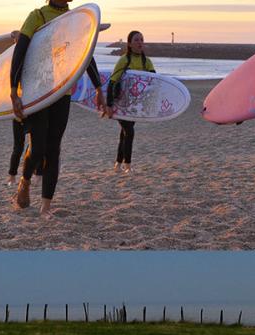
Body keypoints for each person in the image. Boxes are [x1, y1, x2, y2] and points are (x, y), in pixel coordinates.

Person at [10, 0, 107, 217]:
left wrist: (99, 88)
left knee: (54, 149)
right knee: (38, 148)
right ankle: (24, 182)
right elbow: (20, 53)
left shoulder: (75, 21)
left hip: (61, 93)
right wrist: (13, 90)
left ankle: (46, 206)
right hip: (37, 92)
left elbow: (85, 57)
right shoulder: (38, 16)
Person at [106, 30, 155, 174]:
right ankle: (127, 165)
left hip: (135, 105)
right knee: (129, 131)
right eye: (136, 40)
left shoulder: (147, 61)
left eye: (141, 39)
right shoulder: (124, 60)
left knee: (124, 133)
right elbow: (112, 82)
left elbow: (154, 82)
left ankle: (118, 164)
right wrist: (109, 105)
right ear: (129, 44)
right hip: (121, 103)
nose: (140, 42)